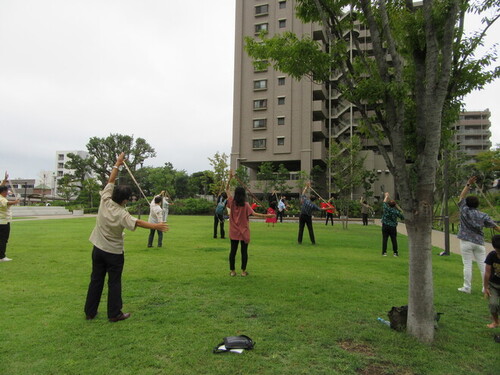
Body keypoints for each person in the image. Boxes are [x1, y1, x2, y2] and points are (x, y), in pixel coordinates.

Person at [84, 153, 168, 322]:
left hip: (97, 249)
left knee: (96, 279)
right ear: (125, 200)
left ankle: (90, 311)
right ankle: (114, 314)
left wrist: (117, 163)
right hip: (113, 253)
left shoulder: (105, 199)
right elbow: (137, 223)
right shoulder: (122, 213)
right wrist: (156, 226)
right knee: (114, 282)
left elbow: (111, 180)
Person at [225, 172, 274, 277]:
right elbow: (255, 214)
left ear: (236, 194)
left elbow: (226, 189)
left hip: (233, 231)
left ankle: (233, 271)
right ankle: (243, 272)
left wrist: (229, 179)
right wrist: (268, 216)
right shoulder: (246, 205)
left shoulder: (232, 202)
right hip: (244, 232)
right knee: (244, 252)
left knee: (233, 251)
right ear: (243, 195)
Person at [457, 176, 500, 294]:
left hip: (466, 241)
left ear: (467, 203)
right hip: (479, 241)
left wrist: (468, 184)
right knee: (483, 265)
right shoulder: (483, 215)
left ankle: (467, 287)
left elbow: (461, 196)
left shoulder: (464, 210)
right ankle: (485, 287)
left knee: (467, 264)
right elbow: (495, 227)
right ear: (477, 204)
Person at [0, 172, 20, 262]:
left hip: (3, 221)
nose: (7, 193)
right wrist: (15, 202)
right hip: (3, 222)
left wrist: (5, 179)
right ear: (3, 192)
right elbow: (7, 203)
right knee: (3, 239)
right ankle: (1, 256)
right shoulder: (2, 199)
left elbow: (1, 186)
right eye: (6, 191)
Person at [484, 235, 500, 328]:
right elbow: (487, 272)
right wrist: (486, 287)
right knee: (493, 305)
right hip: (493, 285)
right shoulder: (491, 255)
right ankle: (496, 322)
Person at [381, 192, 404, 256]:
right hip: (393, 227)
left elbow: (384, 203)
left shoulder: (386, 209)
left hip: (385, 225)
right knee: (394, 239)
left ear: (389, 205)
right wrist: (401, 211)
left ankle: (384, 252)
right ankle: (395, 253)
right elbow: (402, 217)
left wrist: (386, 196)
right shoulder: (396, 211)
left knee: (385, 239)